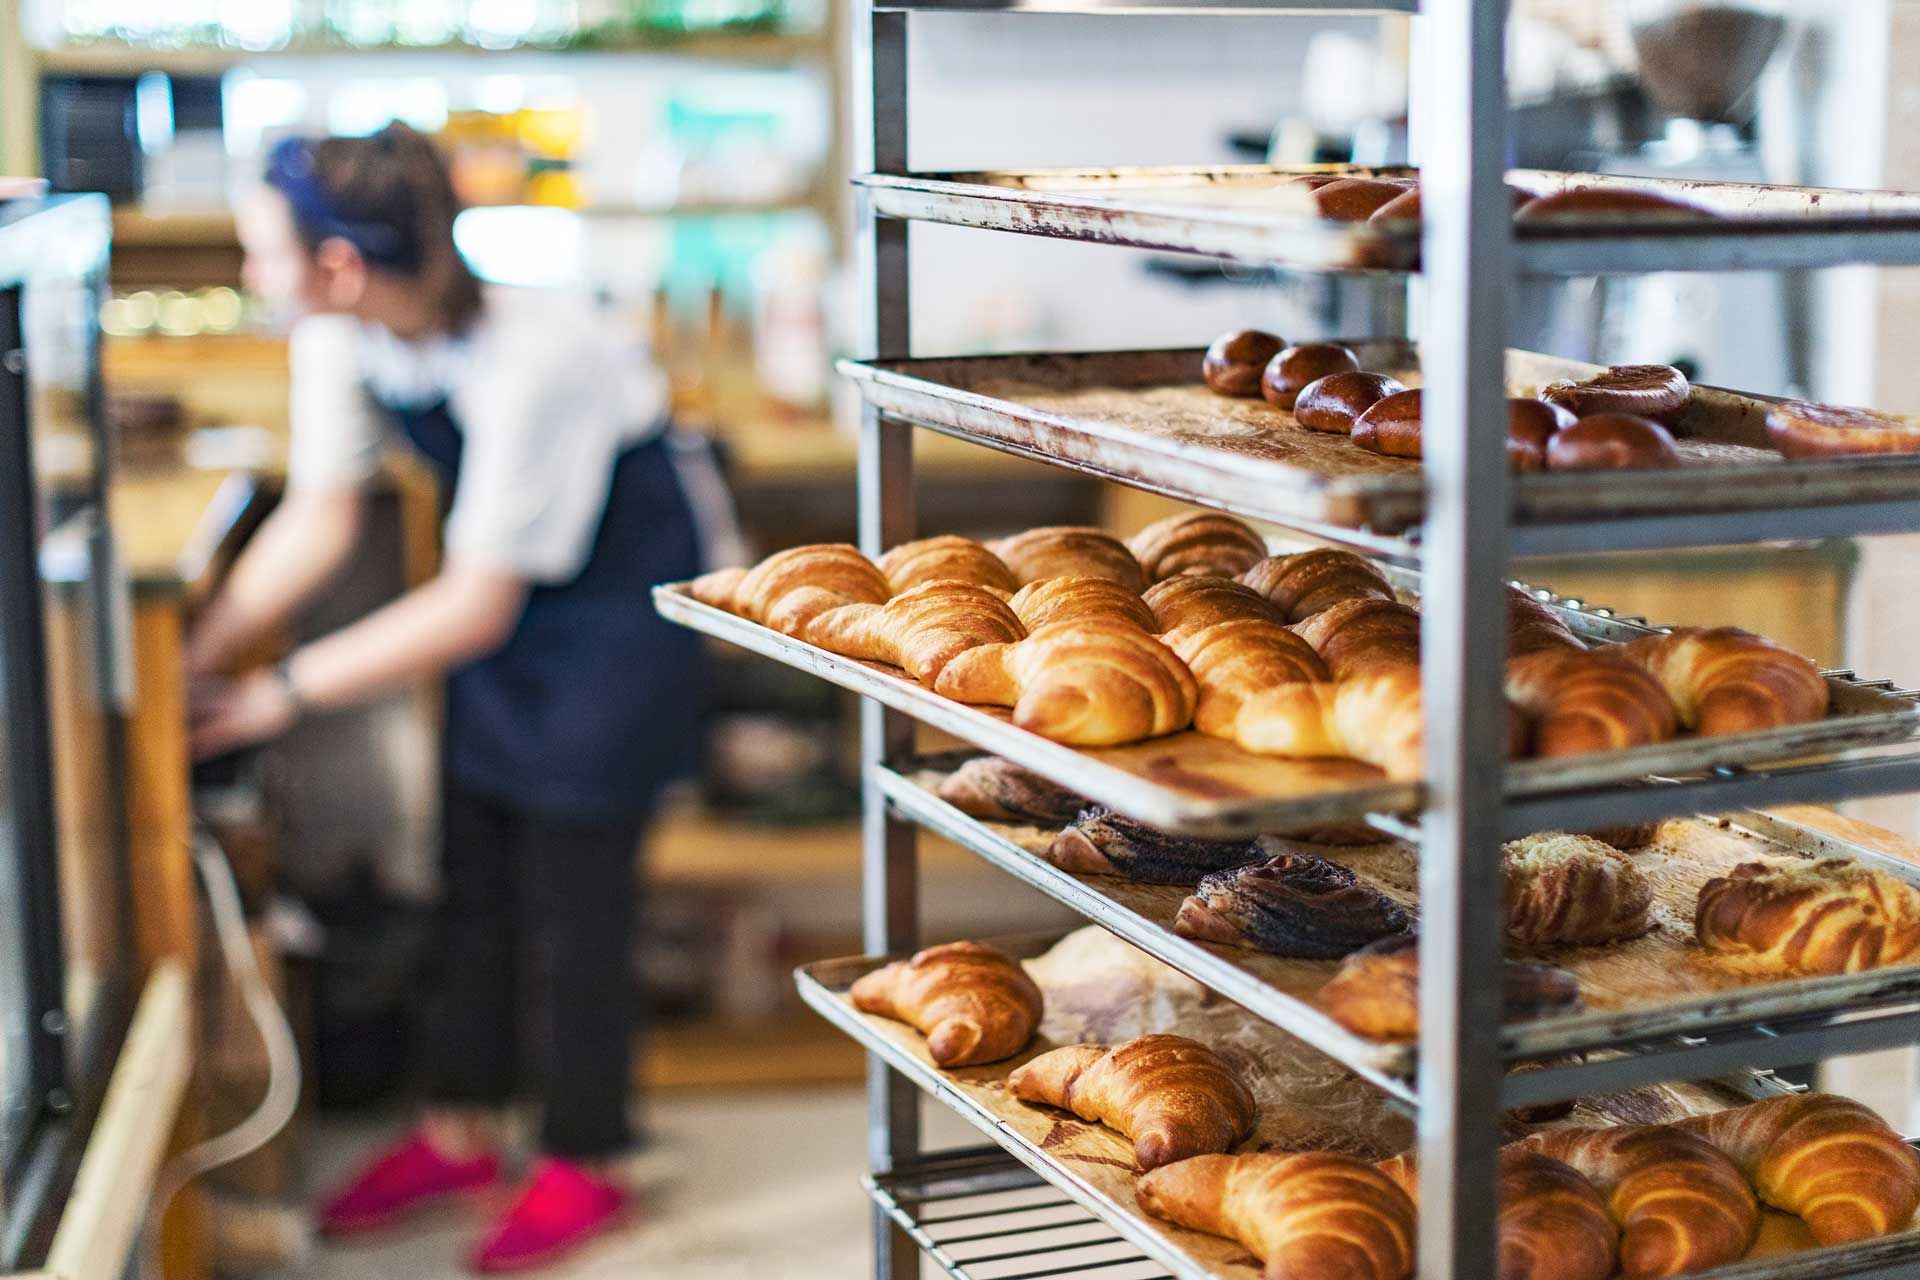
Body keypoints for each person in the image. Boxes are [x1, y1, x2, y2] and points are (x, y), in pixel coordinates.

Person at [188, 121, 719, 1270]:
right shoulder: (342, 329)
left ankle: (590, 1154)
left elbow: (473, 603)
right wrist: (206, 648)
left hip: (621, 613)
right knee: (472, 881)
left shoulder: (544, 354)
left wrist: (280, 692)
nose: (249, 276)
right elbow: (321, 512)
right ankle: (462, 1129)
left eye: (258, 251)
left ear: (335, 263)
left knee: (577, 907)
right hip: (518, 608)